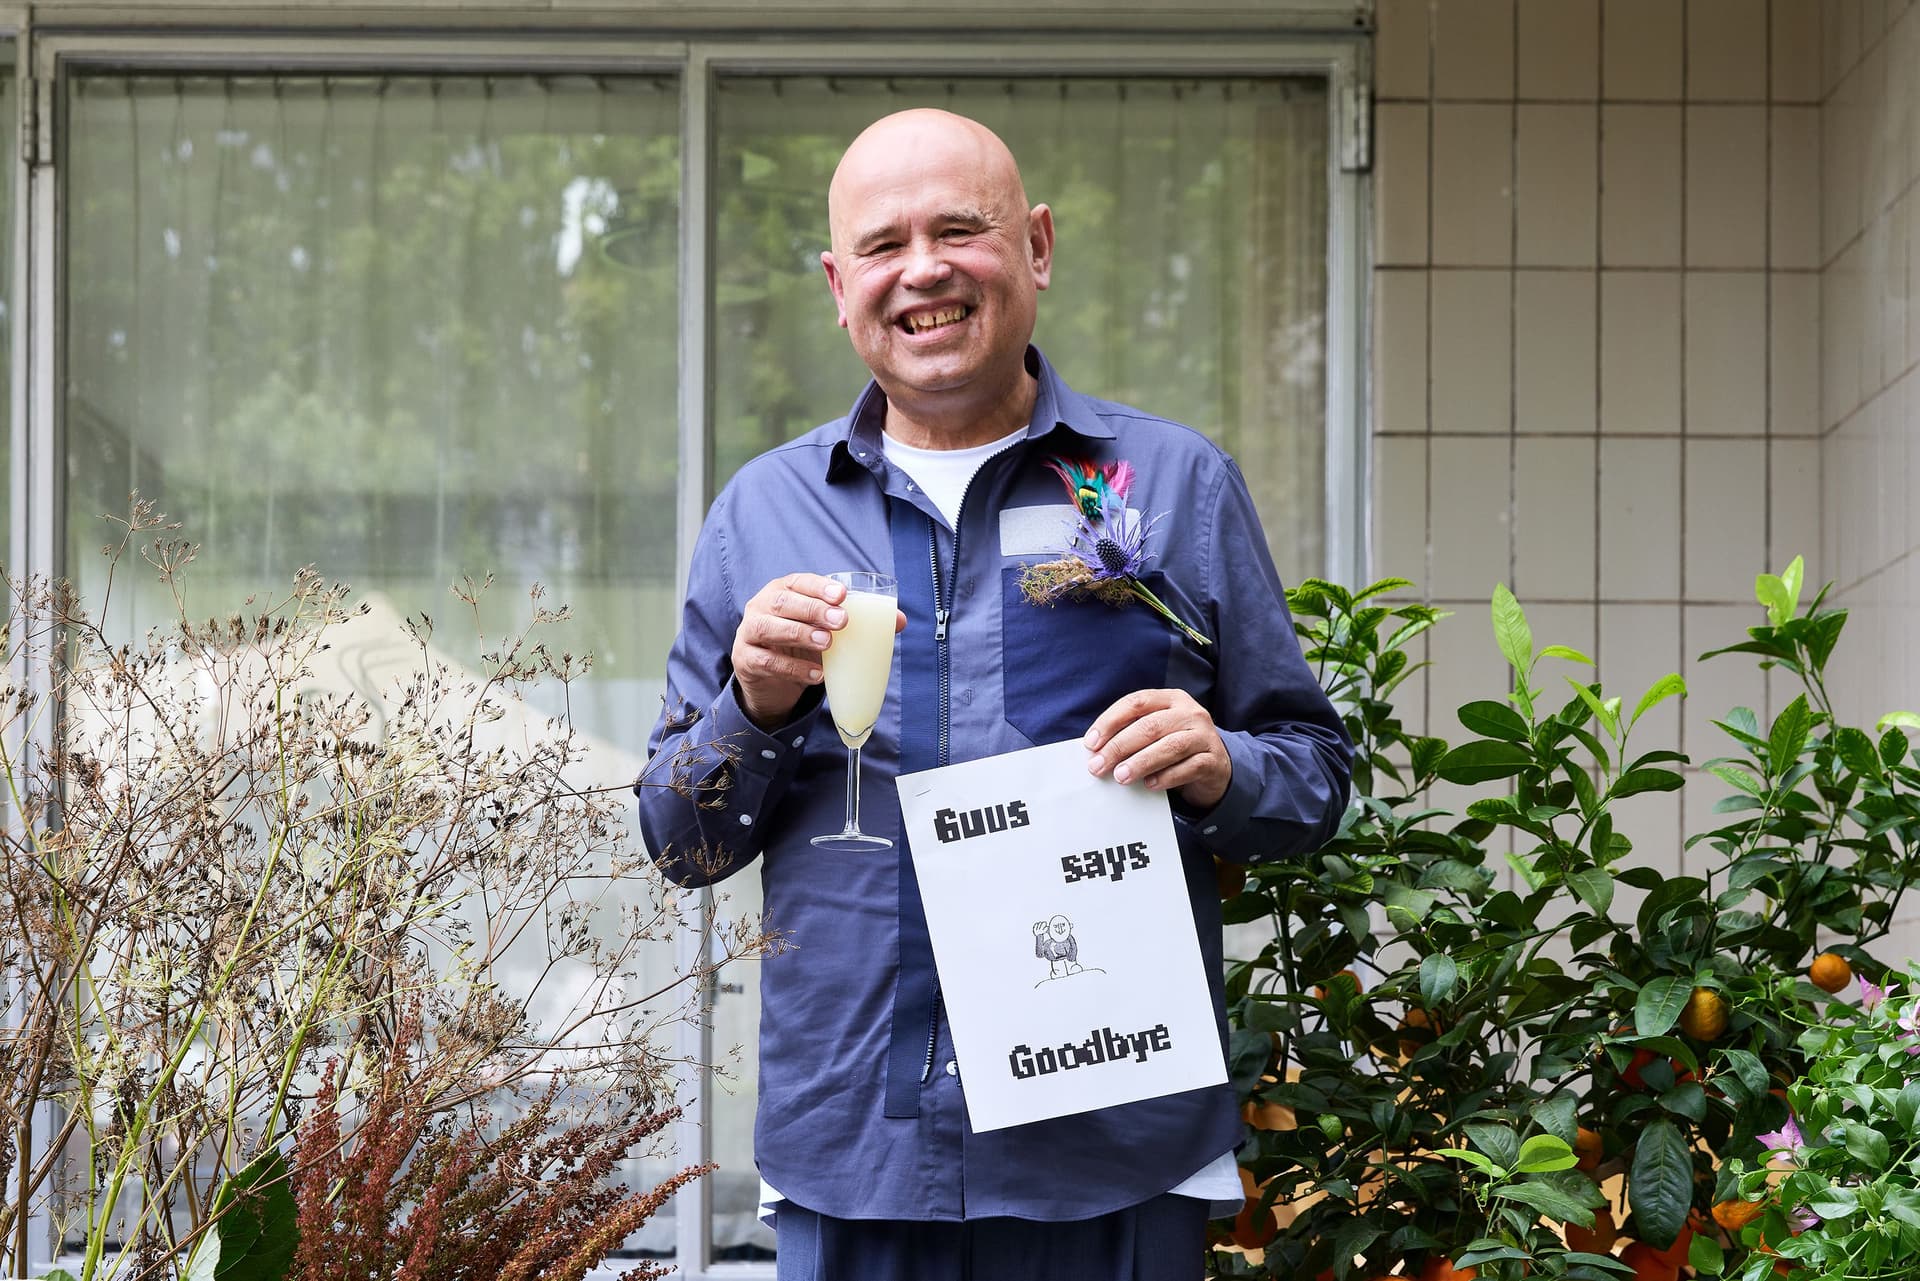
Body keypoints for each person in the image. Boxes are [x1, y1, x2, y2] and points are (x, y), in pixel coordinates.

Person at [637, 109, 1350, 1281]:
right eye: (882, 245)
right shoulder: (760, 513)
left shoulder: (1173, 484)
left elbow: (1313, 779)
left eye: (960, 230)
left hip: (1115, 1146)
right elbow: (681, 844)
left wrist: (1224, 765)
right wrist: (751, 708)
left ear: (1038, 247)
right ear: (839, 286)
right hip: (856, 1150)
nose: (923, 270)